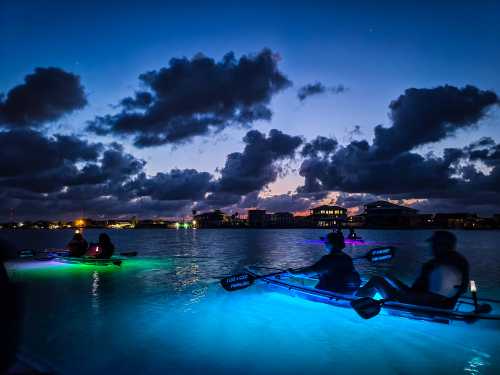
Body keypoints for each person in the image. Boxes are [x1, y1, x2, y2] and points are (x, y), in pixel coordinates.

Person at [356, 231, 469, 309]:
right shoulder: (461, 261)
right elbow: (461, 289)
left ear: (444, 245)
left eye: (434, 244)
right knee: (385, 279)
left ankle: (351, 299)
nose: (431, 247)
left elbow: (414, 294)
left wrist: (394, 284)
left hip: (419, 306)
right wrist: (392, 279)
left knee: (376, 280)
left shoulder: (435, 266)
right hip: (441, 305)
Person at [289, 230, 361, 294]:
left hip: (331, 292)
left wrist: (293, 273)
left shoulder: (329, 259)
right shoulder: (347, 257)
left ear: (331, 244)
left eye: (326, 242)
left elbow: (309, 272)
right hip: (349, 291)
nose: (324, 244)